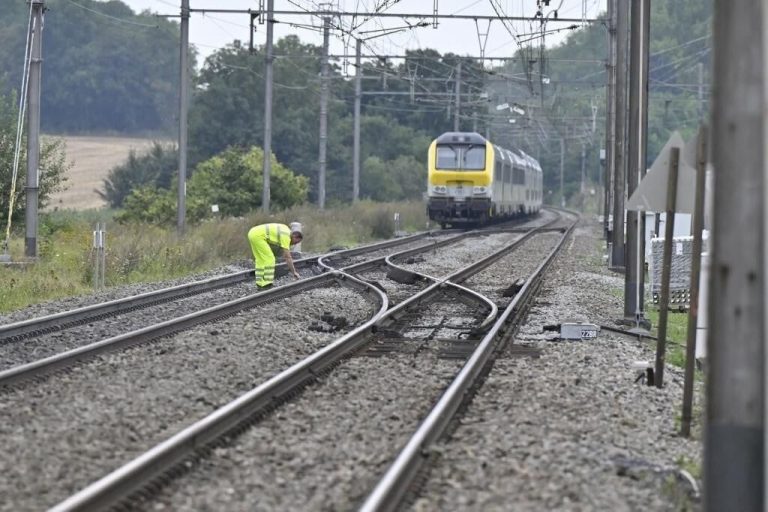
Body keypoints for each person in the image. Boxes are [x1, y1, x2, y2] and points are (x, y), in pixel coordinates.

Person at [247, 222, 303, 289]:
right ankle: (266, 284)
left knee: (260, 260)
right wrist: (294, 272)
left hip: (252, 233)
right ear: (294, 237)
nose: (294, 244)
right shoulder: (286, 237)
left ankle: (260, 283)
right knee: (270, 259)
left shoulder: (286, 230)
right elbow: (288, 257)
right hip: (258, 236)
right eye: (296, 242)